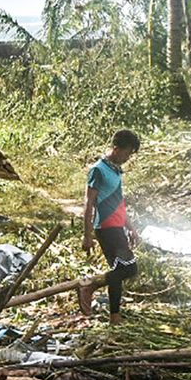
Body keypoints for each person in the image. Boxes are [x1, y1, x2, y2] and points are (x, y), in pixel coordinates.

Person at [79, 130, 141, 322]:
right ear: (116, 149)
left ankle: (114, 314)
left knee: (121, 269)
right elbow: (88, 203)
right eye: (126, 153)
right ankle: (90, 286)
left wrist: (130, 228)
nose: (127, 157)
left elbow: (119, 203)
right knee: (128, 268)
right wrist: (87, 235)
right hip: (106, 227)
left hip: (116, 227)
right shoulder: (98, 170)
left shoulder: (115, 170)